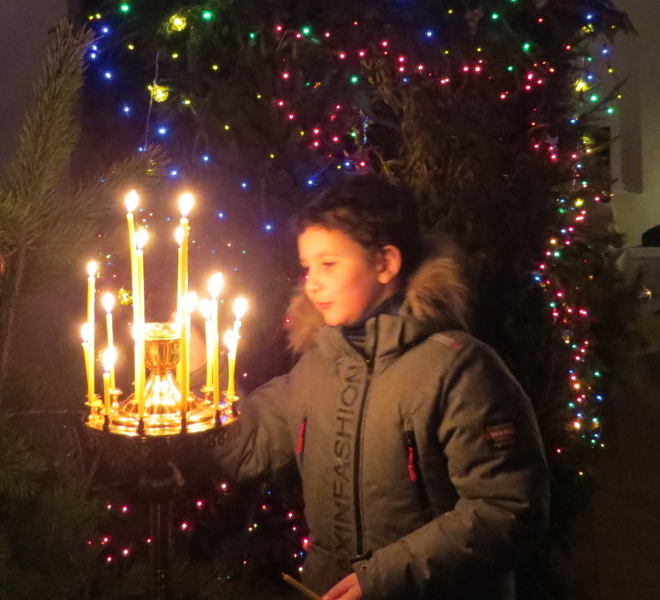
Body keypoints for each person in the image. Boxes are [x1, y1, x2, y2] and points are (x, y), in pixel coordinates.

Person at [214, 176, 548, 599]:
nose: (311, 282)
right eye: (307, 267)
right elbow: (246, 448)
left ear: (385, 263)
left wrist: (384, 577)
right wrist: (197, 371)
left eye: (329, 264)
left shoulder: (458, 370)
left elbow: (506, 509)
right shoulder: (317, 368)